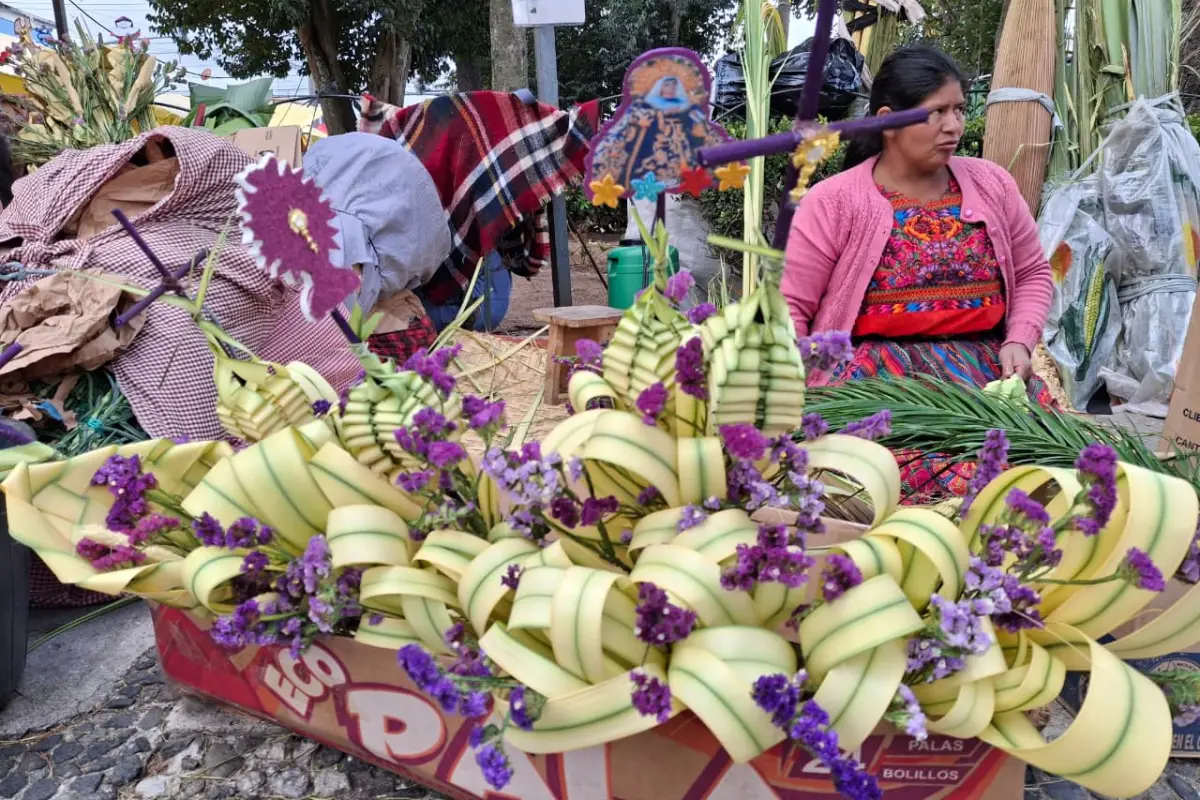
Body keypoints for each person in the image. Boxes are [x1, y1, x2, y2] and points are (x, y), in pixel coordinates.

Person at [782, 46, 1055, 501]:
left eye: (959, 110)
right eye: (936, 113)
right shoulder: (833, 201)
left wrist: (1019, 340)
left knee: (1053, 467)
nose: (953, 126)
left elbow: (1031, 273)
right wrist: (800, 392)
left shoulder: (992, 184)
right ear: (888, 121)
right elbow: (791, 305)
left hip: (984, 375)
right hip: (875, 382)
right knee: (923, 484)